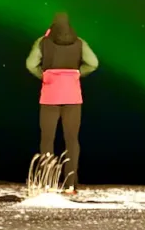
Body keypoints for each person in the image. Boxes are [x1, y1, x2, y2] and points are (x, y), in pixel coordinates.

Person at [25, 12, 99, 194]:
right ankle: (70, 184)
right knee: (72, 140)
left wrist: (44, 76)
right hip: (72, 97)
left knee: (47, 140)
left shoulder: (43, 41)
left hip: (49, 96)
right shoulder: (79, 42)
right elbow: (93, 63)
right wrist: (77, 74)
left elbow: (30, 64)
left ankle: (47, 183)